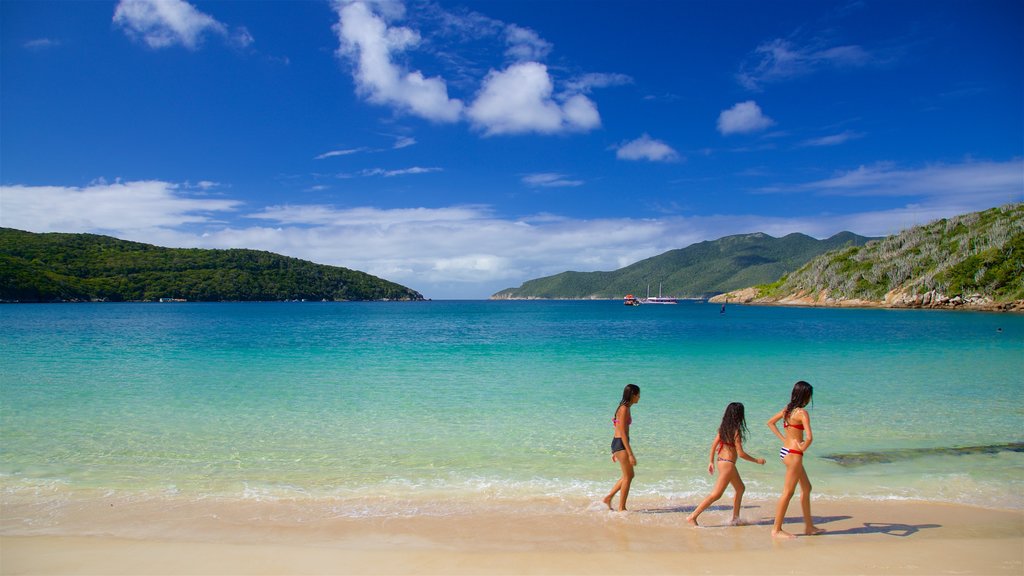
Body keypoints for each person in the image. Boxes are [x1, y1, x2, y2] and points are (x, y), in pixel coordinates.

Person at [686, 402, 765, 526]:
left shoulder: (723, 429)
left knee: (740, 488)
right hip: (728, 464)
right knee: (716, 494)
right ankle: (693, 516)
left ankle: (735, 518)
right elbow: (741, 454)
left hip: (721, 462)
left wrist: (711, 462)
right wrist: (757, 460)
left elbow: (713, 446)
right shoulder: (736, 431)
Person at [767, 380, 824, 538]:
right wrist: (803, 447)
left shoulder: (787, 410)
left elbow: (770, 423)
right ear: (805, 396)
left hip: (785, 450)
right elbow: (810, 437)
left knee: (806, 488)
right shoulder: (802, 413)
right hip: (794, 454)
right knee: (788, 492)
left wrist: (783, 438)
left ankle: (809, 527)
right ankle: (776, 529)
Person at [603, 384, 640, 512]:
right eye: (638, 395)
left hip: (618, 443)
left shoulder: (625, 407)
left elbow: (617, 428)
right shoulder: (624, 409)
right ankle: (621, 508)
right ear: (633, 395)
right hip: (621, 443)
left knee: (628, 475)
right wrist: (629, 454)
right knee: (629, 476)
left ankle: (608, 498)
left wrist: (615, 450)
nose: (639, 398)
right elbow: (623, 433)